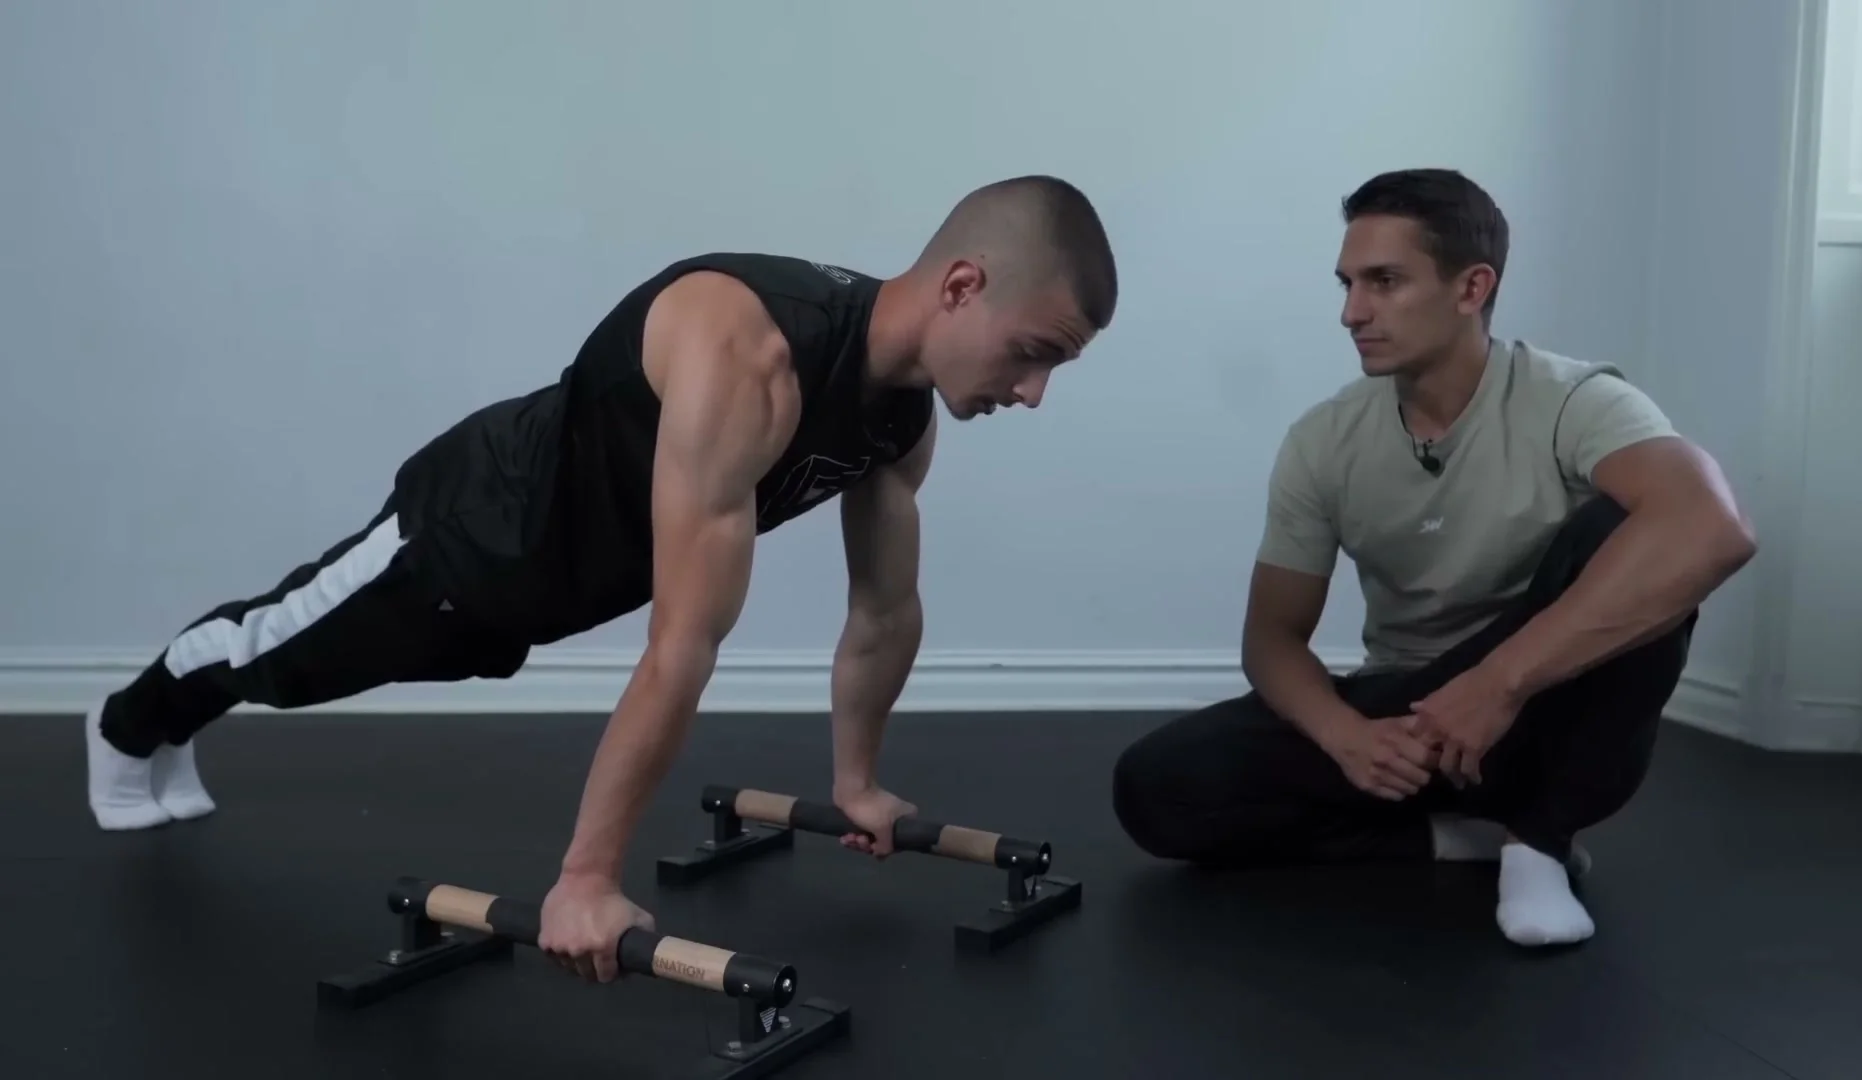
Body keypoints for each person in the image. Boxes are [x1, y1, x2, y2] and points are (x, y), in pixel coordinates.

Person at [84, 174, 1118, 980]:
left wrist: (856, 786)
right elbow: (684, 642)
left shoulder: (901, 418)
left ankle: (164, 730)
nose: (1031, 393)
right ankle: (128, 725)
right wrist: (585, 881)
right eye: (1033, 354)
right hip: (469, 533)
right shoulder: (748, 350)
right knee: (277, 657)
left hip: (549, 591)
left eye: (1053, 371)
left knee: (329, 669)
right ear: (963, 285)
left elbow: (884, 612)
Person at [1109, 168, 1755, 947]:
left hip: (1542, 711)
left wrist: (1497, 685)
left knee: (1638, 526)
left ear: (1471, 287)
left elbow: (1713, 529)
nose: (1352, 312)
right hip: (1410, 718)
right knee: (1155, 788)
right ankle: (1457, 840)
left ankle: (1539, 841)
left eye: (1383, 282)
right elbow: (1272, 639)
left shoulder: (1576, 400)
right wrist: (1350, 739)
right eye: (1347, 284)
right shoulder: (1323, 440)